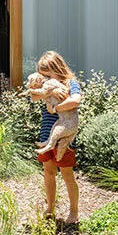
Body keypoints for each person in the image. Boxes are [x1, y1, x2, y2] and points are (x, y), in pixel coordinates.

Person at [35, 50, 81, 224]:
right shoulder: (47, 87)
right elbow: (35, 94)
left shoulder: (70, 83)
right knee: (48, 172)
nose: (44, 78)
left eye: (47, 74)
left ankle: (74, 211)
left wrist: (55, 108)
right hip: (47, 135)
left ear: (57, 69)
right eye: (42, 75)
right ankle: (50, 207)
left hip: (64, 138)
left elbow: (75, 100)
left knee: (67, 174)